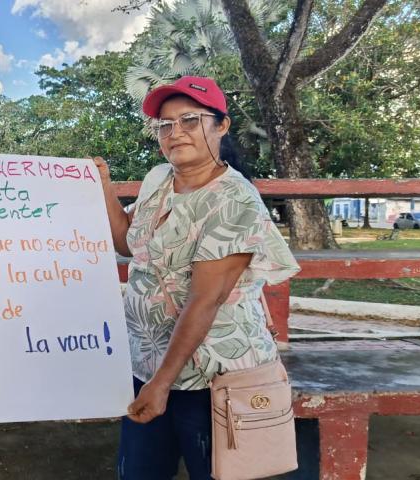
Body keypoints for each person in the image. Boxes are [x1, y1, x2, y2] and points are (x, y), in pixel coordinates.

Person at [94, 76, 300, 479]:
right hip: (148, 365)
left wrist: (161, 385)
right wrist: (103, 187)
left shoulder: (234, 200)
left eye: (190, 119)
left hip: (212, 376)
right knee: (139, 472)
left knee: (218, 471)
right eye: (165, 125)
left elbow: (205, 299)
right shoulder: (158, 179)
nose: (175, 133)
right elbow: (126, 243)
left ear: (220, 125)